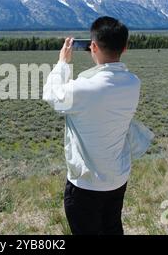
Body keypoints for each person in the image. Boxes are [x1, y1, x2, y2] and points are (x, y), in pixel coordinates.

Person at [43, 16, 149, 235]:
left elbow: (51, 95)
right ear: (125, 48)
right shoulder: (133, 83)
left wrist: (63, 63)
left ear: (92, 46)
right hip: (117, 178)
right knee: (112, 227)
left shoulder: (83, 89)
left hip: (86, 184)